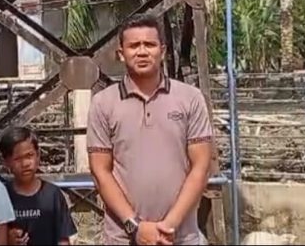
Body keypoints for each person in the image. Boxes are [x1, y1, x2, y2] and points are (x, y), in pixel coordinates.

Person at [87, 14, 214, 245]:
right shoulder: (103, 103)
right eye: (134, 45)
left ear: (162, 51)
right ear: (121, 54)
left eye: (150, 44)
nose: (142, 51)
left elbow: (201, 166)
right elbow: (100, 171)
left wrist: (170, 225)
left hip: (180, 237)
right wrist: (135, 227)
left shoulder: (190, 98)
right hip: (123, 238)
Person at [0, 127, 77, 246]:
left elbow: (63, 239)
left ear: (38, 155)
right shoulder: (1, 196)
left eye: (29, 155)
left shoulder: (53, 195)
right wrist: (7, 239)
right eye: (17, 159)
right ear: (6, 162)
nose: (25, 164)